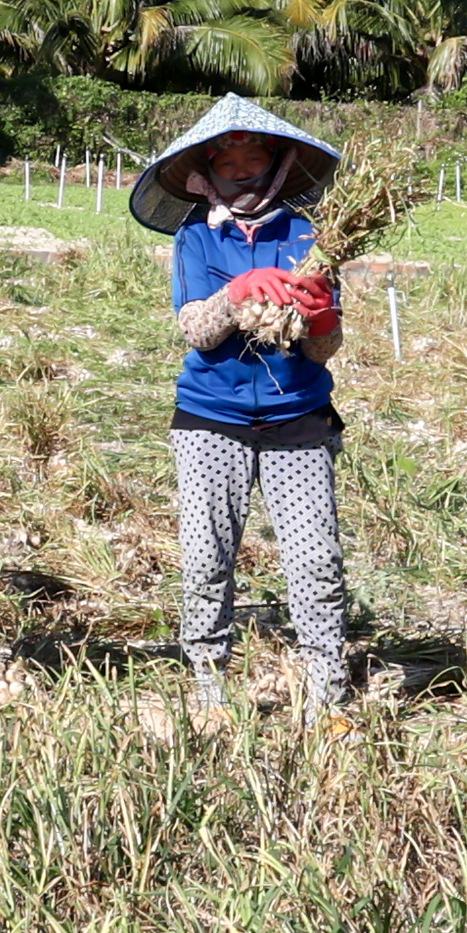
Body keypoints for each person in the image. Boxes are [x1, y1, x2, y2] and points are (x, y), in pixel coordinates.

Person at [130, 97, 355, 726]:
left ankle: (326, 691)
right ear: (207, 169)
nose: (242, 168)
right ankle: (207, 685)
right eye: (227, 159)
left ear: (278, 163)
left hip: (299, 417)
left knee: (316, 559)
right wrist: (238, 293)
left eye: (254, 155)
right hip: (210, 417)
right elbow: (197, 330)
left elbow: (323, 346)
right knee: (207, 557)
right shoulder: (197, 237)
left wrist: (323, 318)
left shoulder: (312, 235)